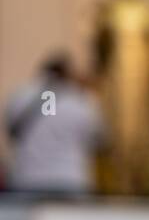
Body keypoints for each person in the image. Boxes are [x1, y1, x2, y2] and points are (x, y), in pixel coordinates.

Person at [4, 55, 102, 196]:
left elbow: (10, 132)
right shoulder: (81, 100)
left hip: (27, 178)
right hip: (69, 178)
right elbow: (97, 139)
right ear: (68, 74)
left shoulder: (20, 95)